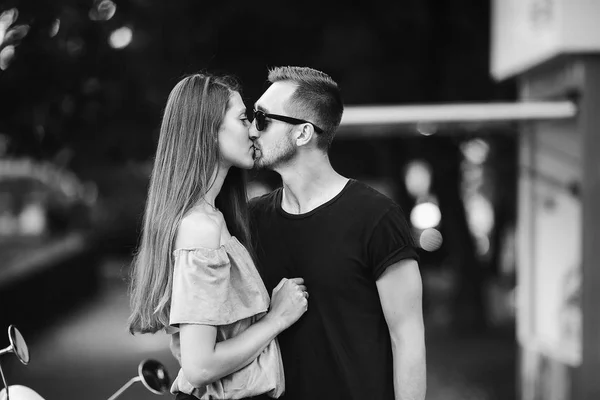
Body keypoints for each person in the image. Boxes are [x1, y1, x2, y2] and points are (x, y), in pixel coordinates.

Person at [127, 73, 309, 400]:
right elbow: (200, 366)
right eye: (243, 119)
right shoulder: (200, 228)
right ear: (209, 132)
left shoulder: (214, 218)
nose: (254, 130)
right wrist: (277, 318)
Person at [249, 66, 426, 400]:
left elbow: (408, 338)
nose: (252, 131)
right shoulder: (252, 220)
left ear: (302, 133)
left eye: (262, 118)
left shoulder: (376, 217)